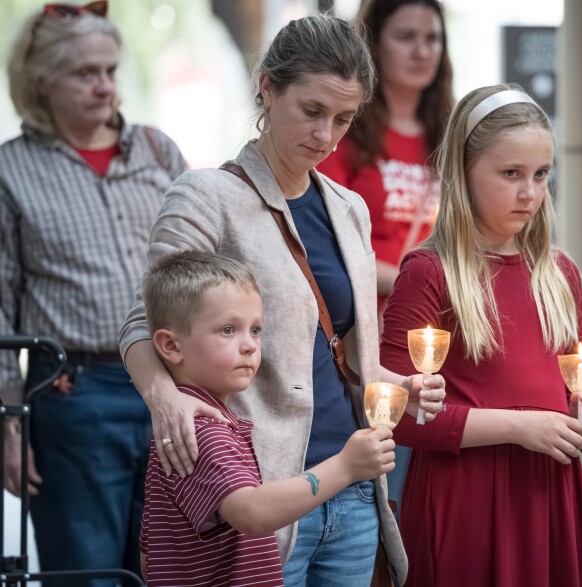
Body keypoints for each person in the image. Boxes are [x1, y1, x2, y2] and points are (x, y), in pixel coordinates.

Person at [118, 15, 445, 587]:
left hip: (352, 486)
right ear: (267, 87)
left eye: (343, 119)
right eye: (312, 111)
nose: (326, 135)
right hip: (259, 487)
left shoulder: (349, 208)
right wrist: (162, 396)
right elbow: (143, 319)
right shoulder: (206, 195)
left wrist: (397, 386)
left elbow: (334, 353)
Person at [379, 84, 582, 587]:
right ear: (464, 171)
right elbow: (399, 416)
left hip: (548, 495)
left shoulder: (560, 274)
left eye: (541, 174)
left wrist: (581, 418)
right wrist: (519, 426)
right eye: (510, 174)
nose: (530, 192)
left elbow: (562, 397)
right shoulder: (429, 272)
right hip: (463, 498)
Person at [0, 2, 187, 585]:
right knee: (88, 573)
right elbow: (1, 305)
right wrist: (8, 422)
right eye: (85, 73)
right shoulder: (12, 171)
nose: (104, 86)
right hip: (73, 397)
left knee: (173, 566)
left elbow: (204, 270)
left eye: (109, 70)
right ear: (41, 81)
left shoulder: (158, 153)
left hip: (175, 388)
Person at [139, 251, 396, 586]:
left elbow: (148, 556)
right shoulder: (203, 431)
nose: (249, 345)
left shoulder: (207, 422)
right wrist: (346, 466)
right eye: (228, 329)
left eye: (256, 330)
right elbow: (252, 512)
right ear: (171, 345)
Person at [318, 0, 453, 508]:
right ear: (373, 44)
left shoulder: (452, 137)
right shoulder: (344, 129)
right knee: (378, 491)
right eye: (406, 37)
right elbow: (326, 241)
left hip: (438, 345)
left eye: (432, 38)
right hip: (365, 342)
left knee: (429, 493)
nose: (422, 50)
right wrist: (409, 279)